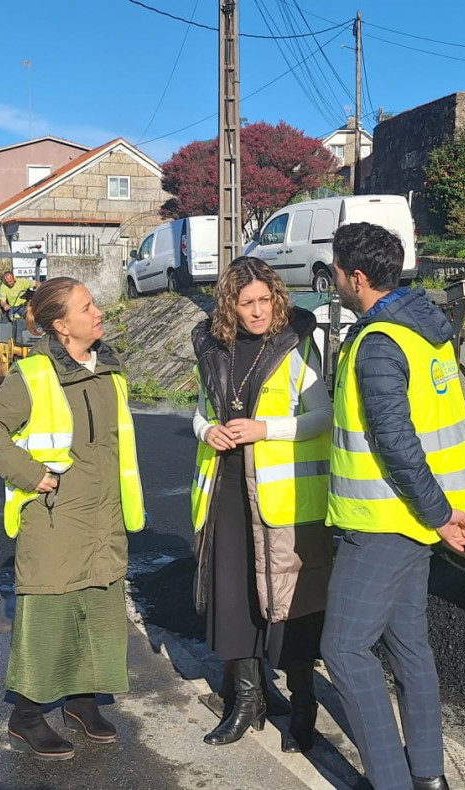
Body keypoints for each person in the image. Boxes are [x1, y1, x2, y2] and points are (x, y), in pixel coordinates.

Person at [320, 223, 465, 790]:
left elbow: (396, 441)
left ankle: (389, 780)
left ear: (356, 277)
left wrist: (437, 515)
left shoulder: (378, 342)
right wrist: (443, 512)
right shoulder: (428, 330)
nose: (334, 280)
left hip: (386, 519)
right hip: (422, 516)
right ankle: (429, 777)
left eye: (336, 271)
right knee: (408, 644)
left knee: (343, 649)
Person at [0, 276, 145, 762]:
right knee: (49, 614)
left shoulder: (110, 369)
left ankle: (82, 701)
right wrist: (29, 474)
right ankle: (26, 715)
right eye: (87, 308)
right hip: (53, 516)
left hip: (104, 514)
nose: (98, 312)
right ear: (61, 326)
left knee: (98, 606)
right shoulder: (35, 375)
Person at [190, 256, 334, 752]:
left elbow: (323, 415)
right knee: (236, 599)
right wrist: (206, 429)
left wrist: (264, 429)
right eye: (247, 302)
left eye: (264, 300)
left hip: (281, 495)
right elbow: (201, 411)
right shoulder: (214, 350)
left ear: (276, 298)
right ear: (230, 305)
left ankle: (303, 706)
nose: (257, 312)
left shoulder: (295, 345)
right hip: (227, 489)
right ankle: (248, 702)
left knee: (290, 602)